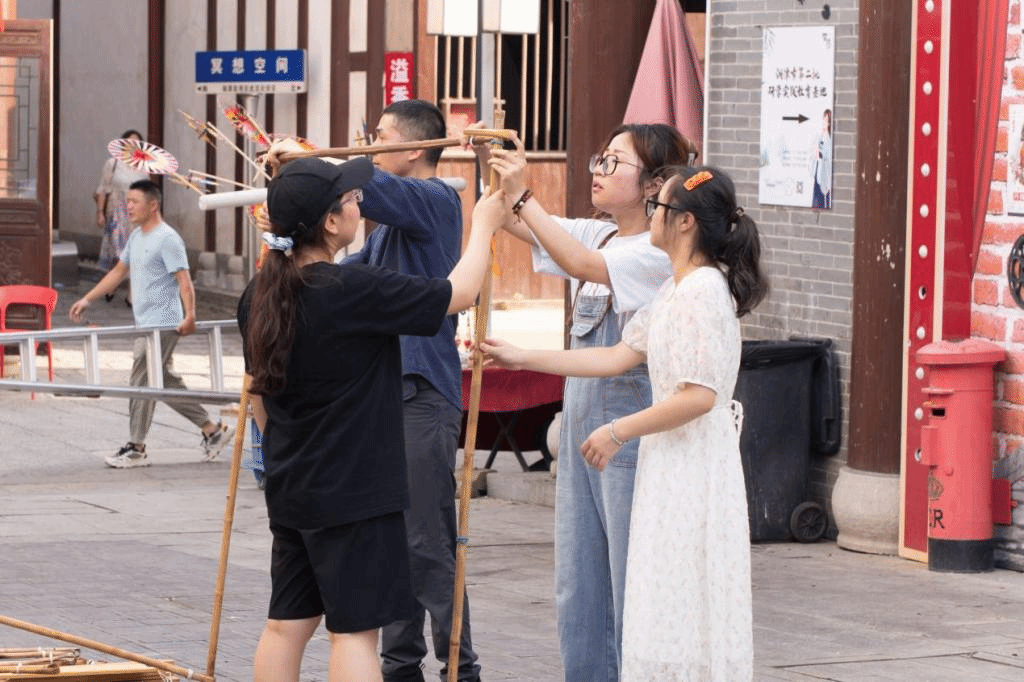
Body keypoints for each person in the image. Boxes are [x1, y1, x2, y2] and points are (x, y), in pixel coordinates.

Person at [482, 165, 768, 680]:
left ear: (684, 222)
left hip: (694, 467)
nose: (651, 215)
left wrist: (619, 430)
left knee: (684, 596)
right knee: (660, 598)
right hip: (669, 464)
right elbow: (615, 356)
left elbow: (700, 395)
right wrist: (522, 357)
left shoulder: (703, 290)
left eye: (659, 207)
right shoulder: (676, 289)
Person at [237, 156, 502, 682]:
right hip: (356, 492)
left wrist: (286, 450)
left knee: (285, 626)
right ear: (331, 222)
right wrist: (485, 224)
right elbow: (459, 294)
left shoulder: (259, 293)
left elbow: (257, 395)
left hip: (292, 486)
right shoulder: (351, 289)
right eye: (351, 198)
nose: (360, 203)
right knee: (355, 634)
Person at [472, 122, 695, 681]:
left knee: (628, 579)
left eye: (614, 162)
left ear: (654, 184)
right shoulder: (600, 235)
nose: (598, 170)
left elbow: (577, 263)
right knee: (578, 583)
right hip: (580, 436)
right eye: (601, 157)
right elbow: (525, 225)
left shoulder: (656, 254)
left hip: (627, 440)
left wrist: (523, 193)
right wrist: (493, 162)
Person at [343, 99, 481, 682]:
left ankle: (460, 669)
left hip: (422, 393)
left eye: (381, 137)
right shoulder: (386, 237)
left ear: (417, 147)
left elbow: (371, 187)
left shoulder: (436, 200)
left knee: (427, 542)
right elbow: (341, 277)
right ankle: (400, 668)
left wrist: (314, 166)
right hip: (386, 396)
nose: (372, 146)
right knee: (391, 542)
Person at [69, 180, 234, 468]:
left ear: (153, 205)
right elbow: (118, 272)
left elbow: (184, 281)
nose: (128, 207)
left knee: (141, 380)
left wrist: (190, 315)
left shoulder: (167, 239)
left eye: (134, 201)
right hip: (145, 323)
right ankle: (213, 431)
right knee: (163, 381)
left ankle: (136, 447)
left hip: (164, 324)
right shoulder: (136, 236)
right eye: (128, 201)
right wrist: (88, 298)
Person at [95, 129, 149, 305]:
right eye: (130, 141)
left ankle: (132, 295)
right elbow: (102, 189)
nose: (133, 145)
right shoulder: (113, 163)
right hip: (117, 214)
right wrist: (100, 212)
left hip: (136, 216)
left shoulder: (143, 167)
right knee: (120, 254)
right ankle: (113, 284)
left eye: (137, 142)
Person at [811, 109, 832, 209]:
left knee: (823, 204)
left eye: (826, 120)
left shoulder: (829, 139)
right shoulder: (819, 136)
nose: (824, 122)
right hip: (817, 174)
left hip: (825, 179)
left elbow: (827, 157)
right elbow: (814, 154)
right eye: (823, 119)